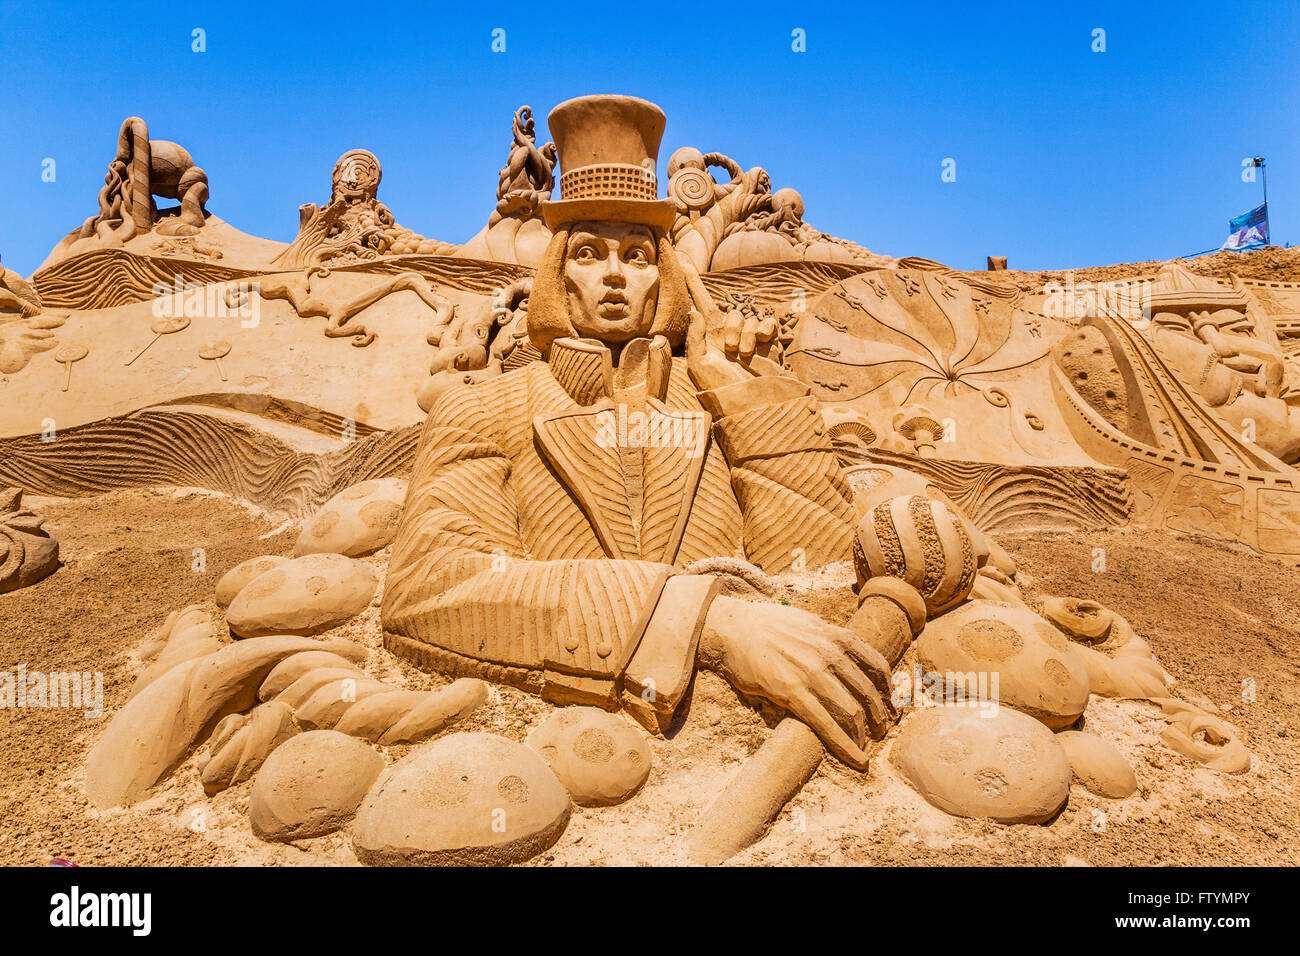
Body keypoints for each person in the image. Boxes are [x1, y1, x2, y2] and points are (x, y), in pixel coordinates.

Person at [383, 96, 893, 768]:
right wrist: (706, 622)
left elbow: (817, 570)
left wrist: (746, 400)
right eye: (590, 253)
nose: (617, 274)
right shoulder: (484, 407)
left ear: (667, 275)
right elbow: (433, 586)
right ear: (556, 272)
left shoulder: (715, 398)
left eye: (639, 254)